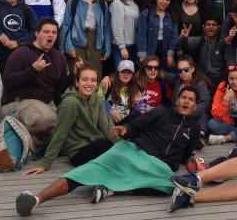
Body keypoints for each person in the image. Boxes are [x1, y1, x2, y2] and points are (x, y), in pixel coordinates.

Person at [15, 87, 201, 216]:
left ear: (196, 106)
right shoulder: (161, 112)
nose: (186, 101)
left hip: (159, 167)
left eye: (191, 100)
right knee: (87, 170)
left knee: (171, 186)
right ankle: (37, 198)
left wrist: (193, 162)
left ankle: (112, 190)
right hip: (134, 152)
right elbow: (137, 125)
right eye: (183, 97)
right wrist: (125, 129)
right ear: (177, 100)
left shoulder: (193, 127)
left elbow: (186, 154)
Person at [21, 65, 116, 175]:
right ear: (77, 82)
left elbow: (108, 128)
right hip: (78, 152)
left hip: (94, 142)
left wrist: (123, 145)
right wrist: (45, 164)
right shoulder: (70, 103)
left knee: (122, 138)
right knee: (106, 144)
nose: (89, 84)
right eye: (85, 79)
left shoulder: (97, 100)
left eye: (93, 80)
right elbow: (60, 133)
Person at [1, 18, 83, 142]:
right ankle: (10, 133)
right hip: (17, 101)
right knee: (49, 119)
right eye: (46, 32)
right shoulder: (21, 52)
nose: (50, 35)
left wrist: (74, 74)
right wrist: (32, 70)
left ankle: (42, 138)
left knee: (68, 139)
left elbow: (60, 87)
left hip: (45, 103)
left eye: (54, 32)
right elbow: (7, 82)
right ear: (37, 33)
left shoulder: (58, 57)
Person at [60, 0, 111, 78]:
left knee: (95, 74)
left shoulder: (102, 3)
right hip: (77, 41)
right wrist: (68, 47)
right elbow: (66, 26)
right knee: (77, 73)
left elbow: (106, 28)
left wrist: (107, 49)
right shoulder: (73, 2)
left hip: (96, 42)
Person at [162, 56, 212, 147]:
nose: (183, 73)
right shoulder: (177, 80)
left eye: (186, 69)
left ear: (192, 69)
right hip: (177, 113)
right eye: (180, 71)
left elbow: (205, 103)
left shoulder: (200, 84)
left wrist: (190, 113)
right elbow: (161, 73)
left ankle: (199, 137)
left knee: (203, 115)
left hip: (193, 114)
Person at [179, 15, 236, 91]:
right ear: (204, 28)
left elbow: (231, 62)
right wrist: (183, 38)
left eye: (214, 25)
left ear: (218, 28)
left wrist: (230, 76)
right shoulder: (198, 41)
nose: (211, 27)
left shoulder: (224, 42)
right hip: (201, 78)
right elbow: (184, 45)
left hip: (220, 79)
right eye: (208, 24)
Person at [136, 0, 178, 68]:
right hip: (149, 49)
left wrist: (170, 53)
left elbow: (174, 36)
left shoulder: (172, 15)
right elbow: (141, 35)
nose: (165, 2)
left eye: (168, 0)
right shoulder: (146, 14)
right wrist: (142, 54)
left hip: (165, 50)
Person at [110, 0, 143, 69]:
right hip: (121, 46)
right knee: (121, 73)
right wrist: (122, 47)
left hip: (134, 45)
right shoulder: (118, 2)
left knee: (131, 74)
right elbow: (117, 26)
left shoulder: (135, 2)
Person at [98, 60, 141, 125]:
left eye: (129, 72)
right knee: (105, 102)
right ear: (118, 73)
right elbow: (97, 101)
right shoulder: (107, 83)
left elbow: (139, 108)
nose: (126, 75)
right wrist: (109, 112)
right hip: (107, 120)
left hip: (125, 123)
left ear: (132, 75)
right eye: (123, 72)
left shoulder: (135, 89)